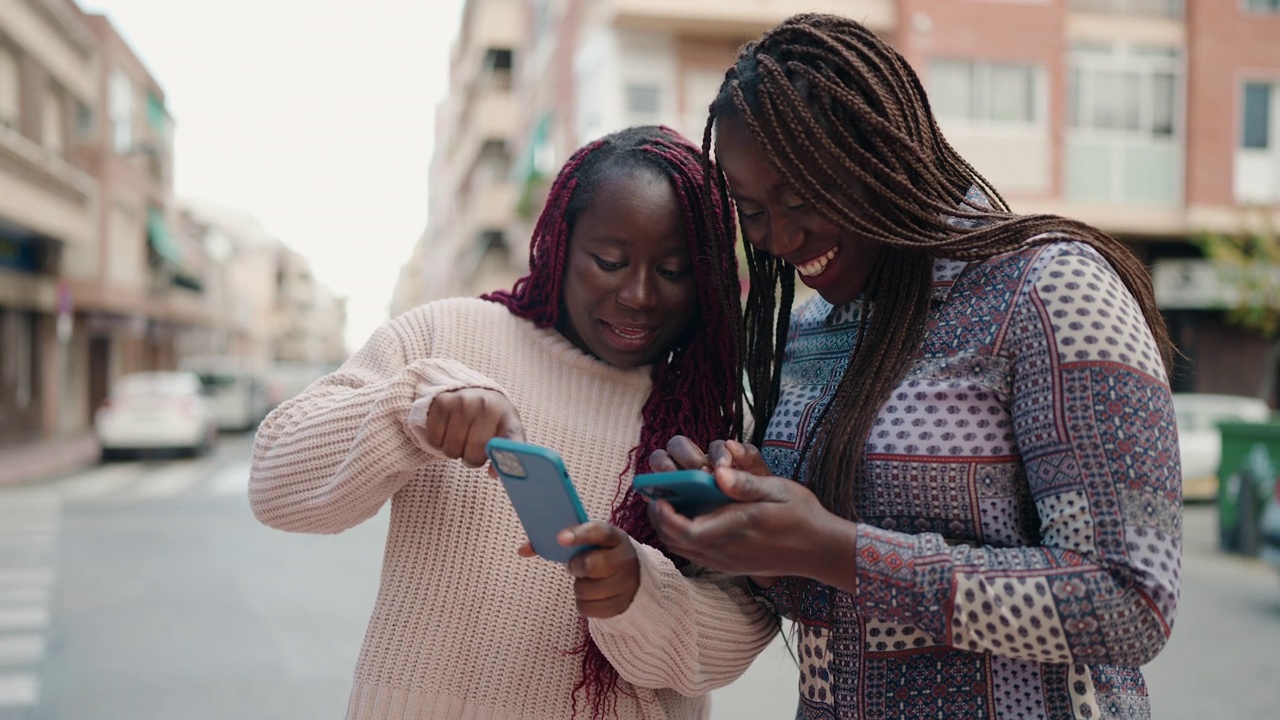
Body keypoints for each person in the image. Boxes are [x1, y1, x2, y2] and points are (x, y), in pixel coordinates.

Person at [648, 14, 1181, 720]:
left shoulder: (1047, 290)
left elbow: (1128, 602)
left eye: (802, 197)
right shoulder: (808, 331)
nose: (778, 237)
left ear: (883, 157)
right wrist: (767, 536)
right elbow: (829, 601)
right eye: (751, 211)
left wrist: (841, 550)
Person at [249, 125, 778, 720]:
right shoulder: (444, 337)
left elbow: (744, 625)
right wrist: (413, 411)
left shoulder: (716, 417)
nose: (638, 295)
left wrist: (641, 594)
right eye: (609, 261)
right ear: (559, 243)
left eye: (674, 271)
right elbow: (275, 488)